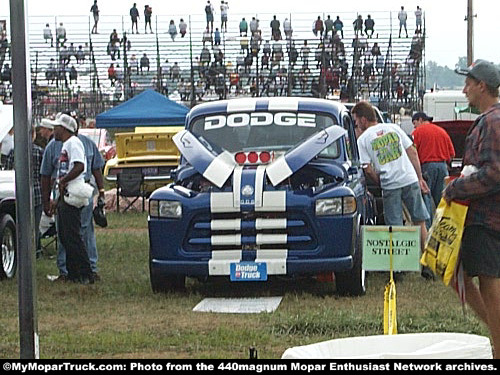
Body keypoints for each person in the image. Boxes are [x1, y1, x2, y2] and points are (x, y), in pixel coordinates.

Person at [444, 60, 500, 359]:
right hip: (478, 216)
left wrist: (456, 187)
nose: (465, 88)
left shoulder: (493, 121)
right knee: (455, 273)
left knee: (491, 289)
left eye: (469, 82)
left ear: (482, 85)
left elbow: (494, 173)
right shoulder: (489, 119)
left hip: (487, 218)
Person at [352, 101, 430, 278]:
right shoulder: (393, 128)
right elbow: (412, 152)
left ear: (364, 120)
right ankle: (427, 264)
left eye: (357, 121)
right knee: (420, 221)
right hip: (409, 178)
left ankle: (398, 269)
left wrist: (379, 180)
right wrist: (418, 177)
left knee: (394, 226)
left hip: (390, 184)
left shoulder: (363, 140)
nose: (356, 125)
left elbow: (367, 168)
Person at [41, 112, 106, 283]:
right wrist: (53, 198)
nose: (53, 130)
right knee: (67, 234)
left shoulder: (75, 144)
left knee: (75, 234)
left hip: (74, 192)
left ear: (64, 129)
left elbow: (80, 166)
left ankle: (86, 272)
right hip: (65, 192)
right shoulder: (65, 144)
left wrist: (63, 181)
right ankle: (72, 273)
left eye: (56, 128)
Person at [5, 127, 44, 258]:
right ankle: (34, 252)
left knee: (20, 225)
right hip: (37, 193)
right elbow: (43, 175)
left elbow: (9, 172)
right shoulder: (39, 152)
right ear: (33, 135)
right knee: (35, 225)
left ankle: (21, 252)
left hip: (18, 193)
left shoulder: (13, 152)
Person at [411, 111, 455, 227]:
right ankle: (444, 227)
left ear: (420, 120)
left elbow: (412, 152)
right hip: (442, 167)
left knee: (425, 199)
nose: (414, 126)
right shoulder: (442, 131)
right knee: (442, 200)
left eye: (415, 123)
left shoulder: (417, 132)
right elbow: (452, 154)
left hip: (426, 168)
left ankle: (428, 229)